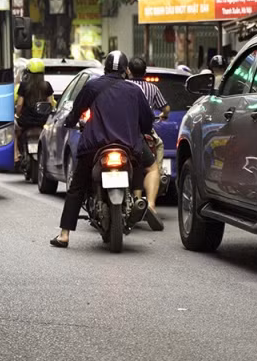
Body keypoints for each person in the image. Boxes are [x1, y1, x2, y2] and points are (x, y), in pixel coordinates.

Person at [50, 51, 155, 249]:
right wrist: (141, 130)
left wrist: (70, 123)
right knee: (140, 164)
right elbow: (147, 121)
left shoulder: (92, 86)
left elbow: (76, 111)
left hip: (94, 146)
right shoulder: (134, 91)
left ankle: (64, 234)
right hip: (128, 146)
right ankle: (138, 200)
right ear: (126, 70)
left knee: (77, 186)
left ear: (105, 68)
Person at [127, 57, 169, 231]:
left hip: (124, 131)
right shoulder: (152, 88)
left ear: (128, 71)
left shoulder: (124, 86)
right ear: (145, 72)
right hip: (145, 131)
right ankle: (151, 203)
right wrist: (163, 116)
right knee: (157, 149)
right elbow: (165, 108)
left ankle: (138, 199)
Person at [14, 58, 55, 164]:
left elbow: (19, 104)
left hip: (26, 121)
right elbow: (51, 103)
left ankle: (16, 154)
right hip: (42, 121)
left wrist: (17, 115)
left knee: (13, 131)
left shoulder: (23, 86)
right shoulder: (47, 85)